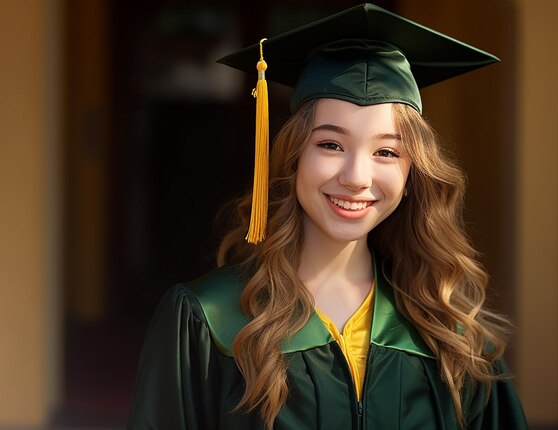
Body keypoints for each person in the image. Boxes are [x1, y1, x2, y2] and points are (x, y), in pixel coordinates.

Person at [128, 4, 528, 429]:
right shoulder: (209, 320)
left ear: (413, 174)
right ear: (293, 155)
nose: (357, 177)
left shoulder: (452, 333)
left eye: (386, 152)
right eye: (330, 145)